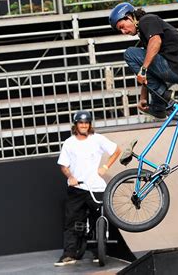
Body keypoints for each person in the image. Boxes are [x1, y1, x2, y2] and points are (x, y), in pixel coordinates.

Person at [54, 110, 122, 267]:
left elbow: (116, 150)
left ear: (89, 124)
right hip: (77, 188)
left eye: (86, 123)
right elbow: (63, 165)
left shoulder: (97, 139)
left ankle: (100, 252)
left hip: (96, 187)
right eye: (80, 123)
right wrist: (70, 177)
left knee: (99, 219)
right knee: (72, 221)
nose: (84, 125)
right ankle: (69, 255)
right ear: (76, 125)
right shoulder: (69, 143)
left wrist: (105, 166)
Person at [108, 3, 178, 119]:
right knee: (147, 59)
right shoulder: (145, 31)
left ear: (129, 17)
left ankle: (161, 95)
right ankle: (158, 106)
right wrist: (143, 97)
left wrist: (144, 70)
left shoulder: (147, 20)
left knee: (130, 54)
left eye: (122, 26)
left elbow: (156, 42)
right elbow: (148, 64)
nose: (123, 32)